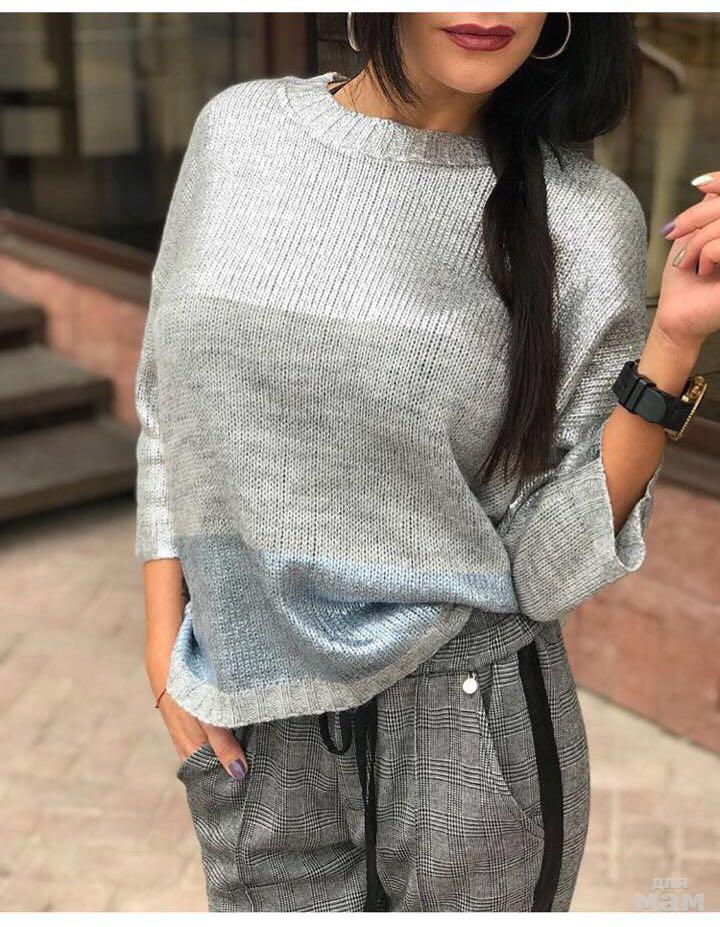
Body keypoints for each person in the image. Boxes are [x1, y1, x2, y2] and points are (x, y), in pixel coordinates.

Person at [135, 12, 719, 913]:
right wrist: (162, 644)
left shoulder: (580, 216)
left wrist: (672, 344)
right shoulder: (241, 130)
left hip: (467, 722)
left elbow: (544, 568)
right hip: (253, 721)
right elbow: (166, 399)